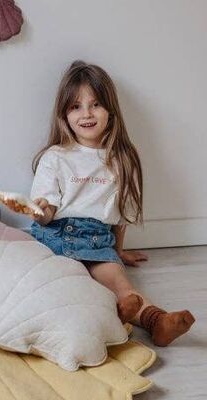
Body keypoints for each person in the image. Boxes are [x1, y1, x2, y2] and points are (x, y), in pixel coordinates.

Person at [27, 60, 195, 346]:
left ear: (110, 111)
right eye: (76, 106)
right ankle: (109, 314)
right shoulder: (56, 157)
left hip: (97, 240)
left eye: (95, 105)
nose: (87, 114)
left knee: (121, 284)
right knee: (71, 289)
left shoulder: (122, 159)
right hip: (56, 236)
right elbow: (45, 215)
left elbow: (119, 217)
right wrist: (41, 211)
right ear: (64, 115)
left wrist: (118, 252)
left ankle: (158, 321)